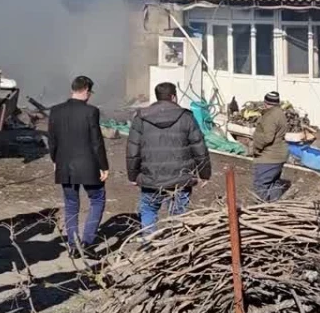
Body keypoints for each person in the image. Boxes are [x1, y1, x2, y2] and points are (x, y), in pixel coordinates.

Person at [126, 82, 210, 235]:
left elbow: (133, 150)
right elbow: (199, 147)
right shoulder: (186, 117)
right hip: (180, 178)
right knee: (178, 214)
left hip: (151, 177)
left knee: (149, 210)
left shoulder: (141, 118)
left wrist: (132, 175)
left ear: (156, 97)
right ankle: (176, 247)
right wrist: (205, 174)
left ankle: (149, 247)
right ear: (173, 97)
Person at [45, 76, 109, 258]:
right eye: (90, 92)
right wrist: (103, 166)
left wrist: (55, 160)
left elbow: (52, 140)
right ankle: (87, 242)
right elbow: (96, 141)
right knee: (97, 200)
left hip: (64, 165)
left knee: (71, 205)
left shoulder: (56, 111)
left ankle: (74, 246)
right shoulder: (91, 111)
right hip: (89, 165)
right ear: (86, 89)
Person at [250, 91, 289, 202]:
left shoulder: (270, 116)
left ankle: (260, 209)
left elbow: (267, 138)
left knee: (261, 184)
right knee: (274, 183)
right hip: (279, 155)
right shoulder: (280, 113)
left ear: (266, 102)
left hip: (269, 156)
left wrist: (256, 147)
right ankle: (274, 208)